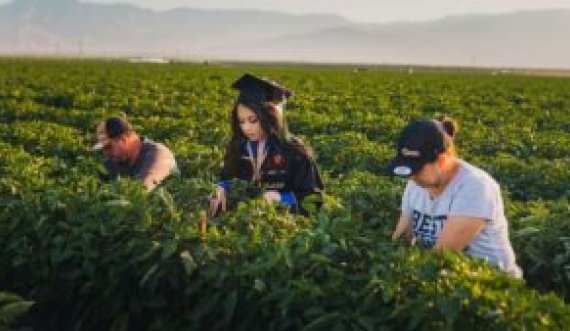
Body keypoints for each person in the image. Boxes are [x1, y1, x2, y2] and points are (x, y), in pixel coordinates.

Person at [388, 118, 522, 278]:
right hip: (448, 279)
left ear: (442, 160)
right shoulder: (416, 184)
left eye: (418, 168)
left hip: (493, 286)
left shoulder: (475, 187)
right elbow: (402, 238)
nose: (411, 175)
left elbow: (441, 256)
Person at [209, 73, 323, 216]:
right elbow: (228, 178)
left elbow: (314, 199)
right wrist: (222, 188)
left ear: (269, 117)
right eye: (241, 121)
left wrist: (282, 198)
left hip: (283, 226)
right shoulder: (238, 146)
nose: (246, 128)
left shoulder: (294, 152)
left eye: (253, 120)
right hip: (242, 223)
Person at [93, 117, 178, 190]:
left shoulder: (158, 154)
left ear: (123, 139)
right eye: (104, 149)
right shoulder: (111, 163)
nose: (106, 153)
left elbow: (142, 189)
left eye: (109, 147)